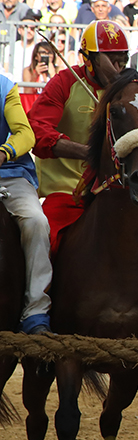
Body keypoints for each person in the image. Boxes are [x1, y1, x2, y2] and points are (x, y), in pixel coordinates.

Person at [27, 19, 138, 336]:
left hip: (122, 190)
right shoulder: (64, 83)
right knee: (41, 233)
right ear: (89, 59)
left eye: (121, 59)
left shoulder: (136, 88)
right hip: (68, 192)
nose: (115, 65)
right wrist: (86, 151)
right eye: (108, 58)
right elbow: (38, 130)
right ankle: (37, 313)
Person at [0, 69, 52, 333]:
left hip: (8, 173)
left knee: (36, 222)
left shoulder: (5, 86)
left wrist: (4, 152)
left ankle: (35, 311)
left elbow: (25, 134)